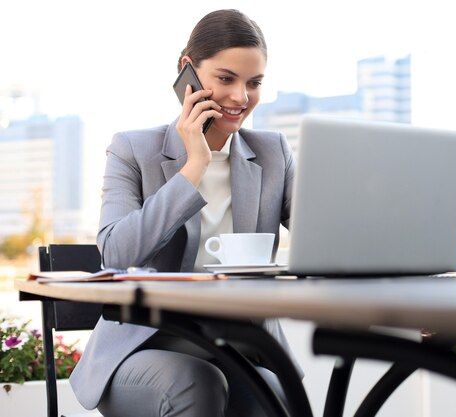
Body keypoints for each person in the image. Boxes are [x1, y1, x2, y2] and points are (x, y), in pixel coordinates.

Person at [69, 9, 301, 417]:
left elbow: (325, 232)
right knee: (197, 382)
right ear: (187, 70)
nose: (241, 98)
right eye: (226, 79)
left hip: (241, 348)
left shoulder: (273, 153)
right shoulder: (132, 149)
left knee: (276, 393)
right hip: (142, 350)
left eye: (254, 83)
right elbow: (118, 254)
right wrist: (194, 166)